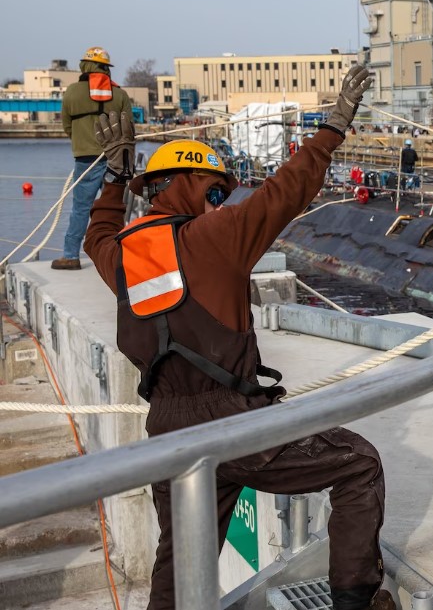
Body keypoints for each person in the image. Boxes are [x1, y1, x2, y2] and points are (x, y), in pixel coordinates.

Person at [84, 66, 396, 610]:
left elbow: (97, 234)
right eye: (213, 190)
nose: (220, 203)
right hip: (232, 423)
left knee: (179, 558)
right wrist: (333, 127)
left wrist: (114, 177)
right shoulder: (218, 235)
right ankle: (356, 601)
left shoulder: (121, 256)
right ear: (185, 184)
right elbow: (285, 191)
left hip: (166, 431)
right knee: (358, 463)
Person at [52, 46, 133, 270]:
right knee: (117, 206)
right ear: (106, 68)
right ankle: (122, 253)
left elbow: (67, 125)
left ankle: (70, 256)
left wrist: (81, 141)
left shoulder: (72, 92)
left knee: (80, 208)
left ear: (85, 66)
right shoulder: (120, 94)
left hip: (86, 159)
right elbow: (129, 127)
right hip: (115, 159)